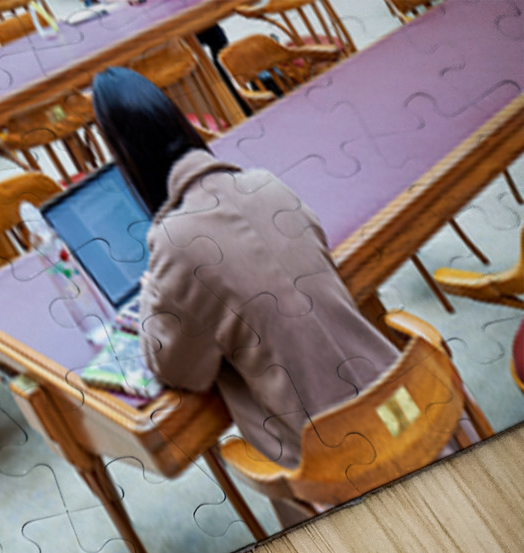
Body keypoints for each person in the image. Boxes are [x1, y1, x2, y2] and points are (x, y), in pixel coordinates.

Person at [89, 67, 402, 528]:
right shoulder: (265, 182)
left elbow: (173, 367)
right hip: (404, 397)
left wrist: (152, 284)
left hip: (329, 463)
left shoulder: (175, 239)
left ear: (127, 161)